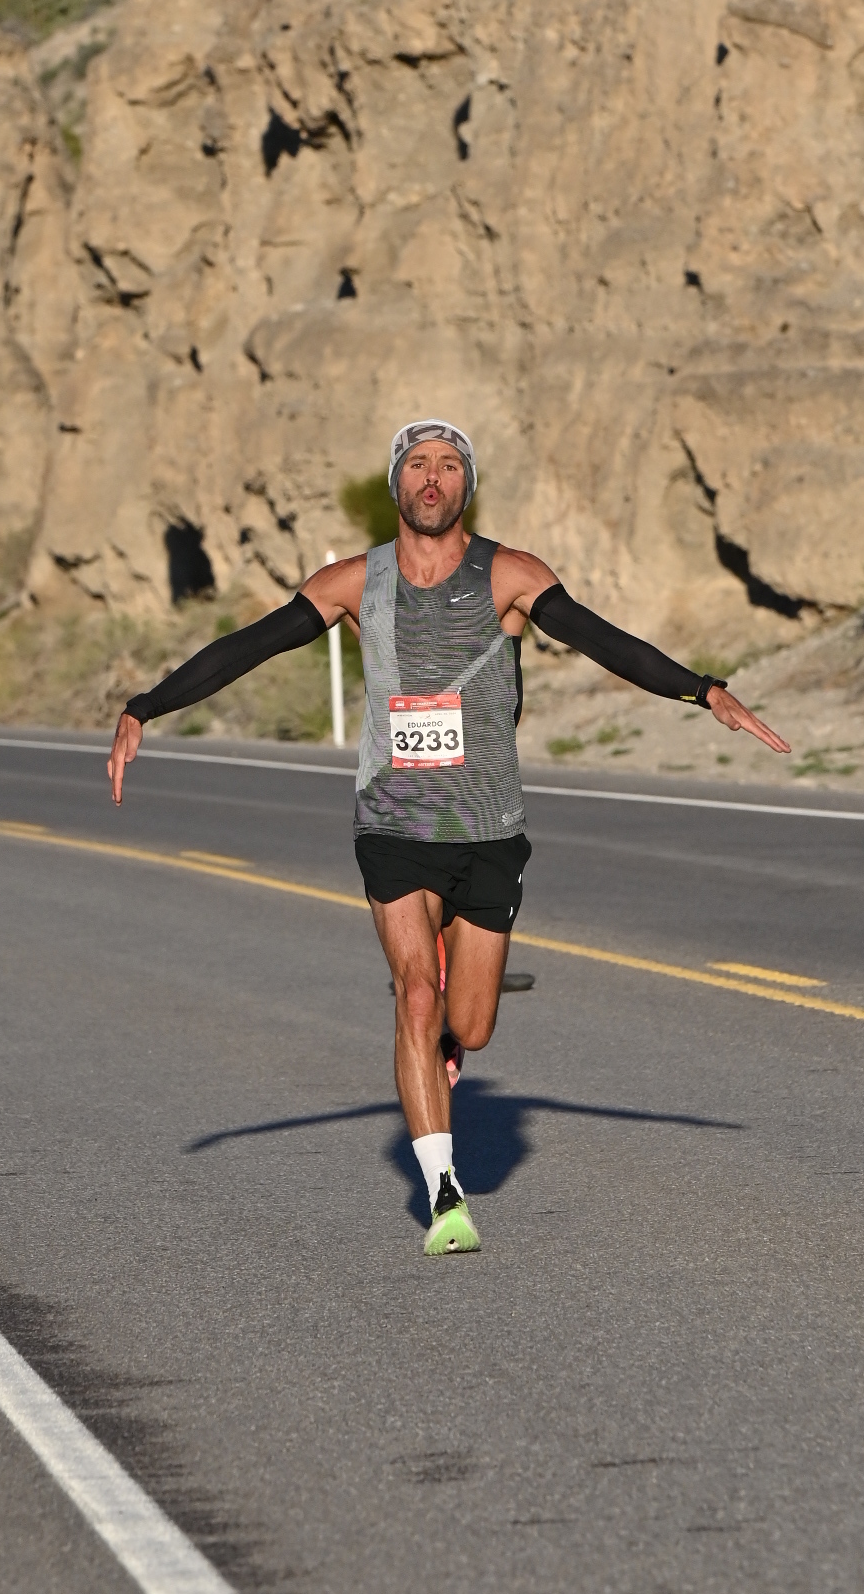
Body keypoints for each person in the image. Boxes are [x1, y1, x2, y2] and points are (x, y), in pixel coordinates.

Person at [107, 419, 791, 1254]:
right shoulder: (352, 582)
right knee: (414, 995)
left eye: (448, 467)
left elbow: (603, 641)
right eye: (417, 466)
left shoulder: (511, 574)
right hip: (393, 819)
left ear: (468, 484)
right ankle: (444, 1196)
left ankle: (443, 1034)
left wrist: (702, 691)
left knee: (471, 1022)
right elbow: (247, 647)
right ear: (396, 482)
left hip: (488, 825)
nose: (432, 479)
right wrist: (147, 706)